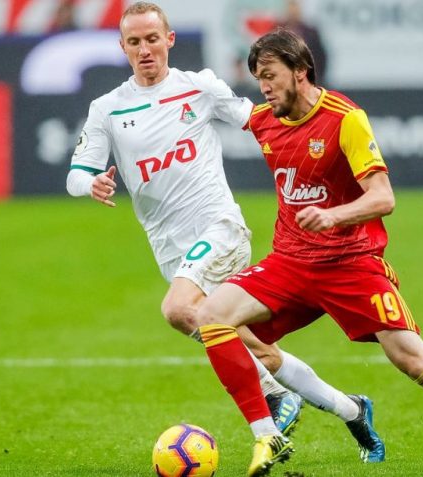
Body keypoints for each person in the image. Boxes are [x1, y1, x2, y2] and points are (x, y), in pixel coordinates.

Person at [195, 28, 423, 477]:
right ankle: (268, 432)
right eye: (258, 77)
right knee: (210, 316)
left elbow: (383, 197)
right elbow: (208, 108)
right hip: (291, 262)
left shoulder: (345, 119)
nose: (263, 86)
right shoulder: (264, 120)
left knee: (415, 362)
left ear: (300, 71)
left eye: (270, 75)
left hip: (349, 263)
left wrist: (333, 216)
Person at [65, 1, 385, 464]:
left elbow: (263, 120)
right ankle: (352, 409)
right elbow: (77, 171)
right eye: (134, 42)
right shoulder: (108, 109)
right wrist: (90, 183)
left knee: (179, 309)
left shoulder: (198, 87)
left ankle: (272, 411)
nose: (145, 49)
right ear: (123, 47)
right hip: (170, 248)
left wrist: (319, 149)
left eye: (152, 39)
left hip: (220, 228)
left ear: (169, 40)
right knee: (257, 351)